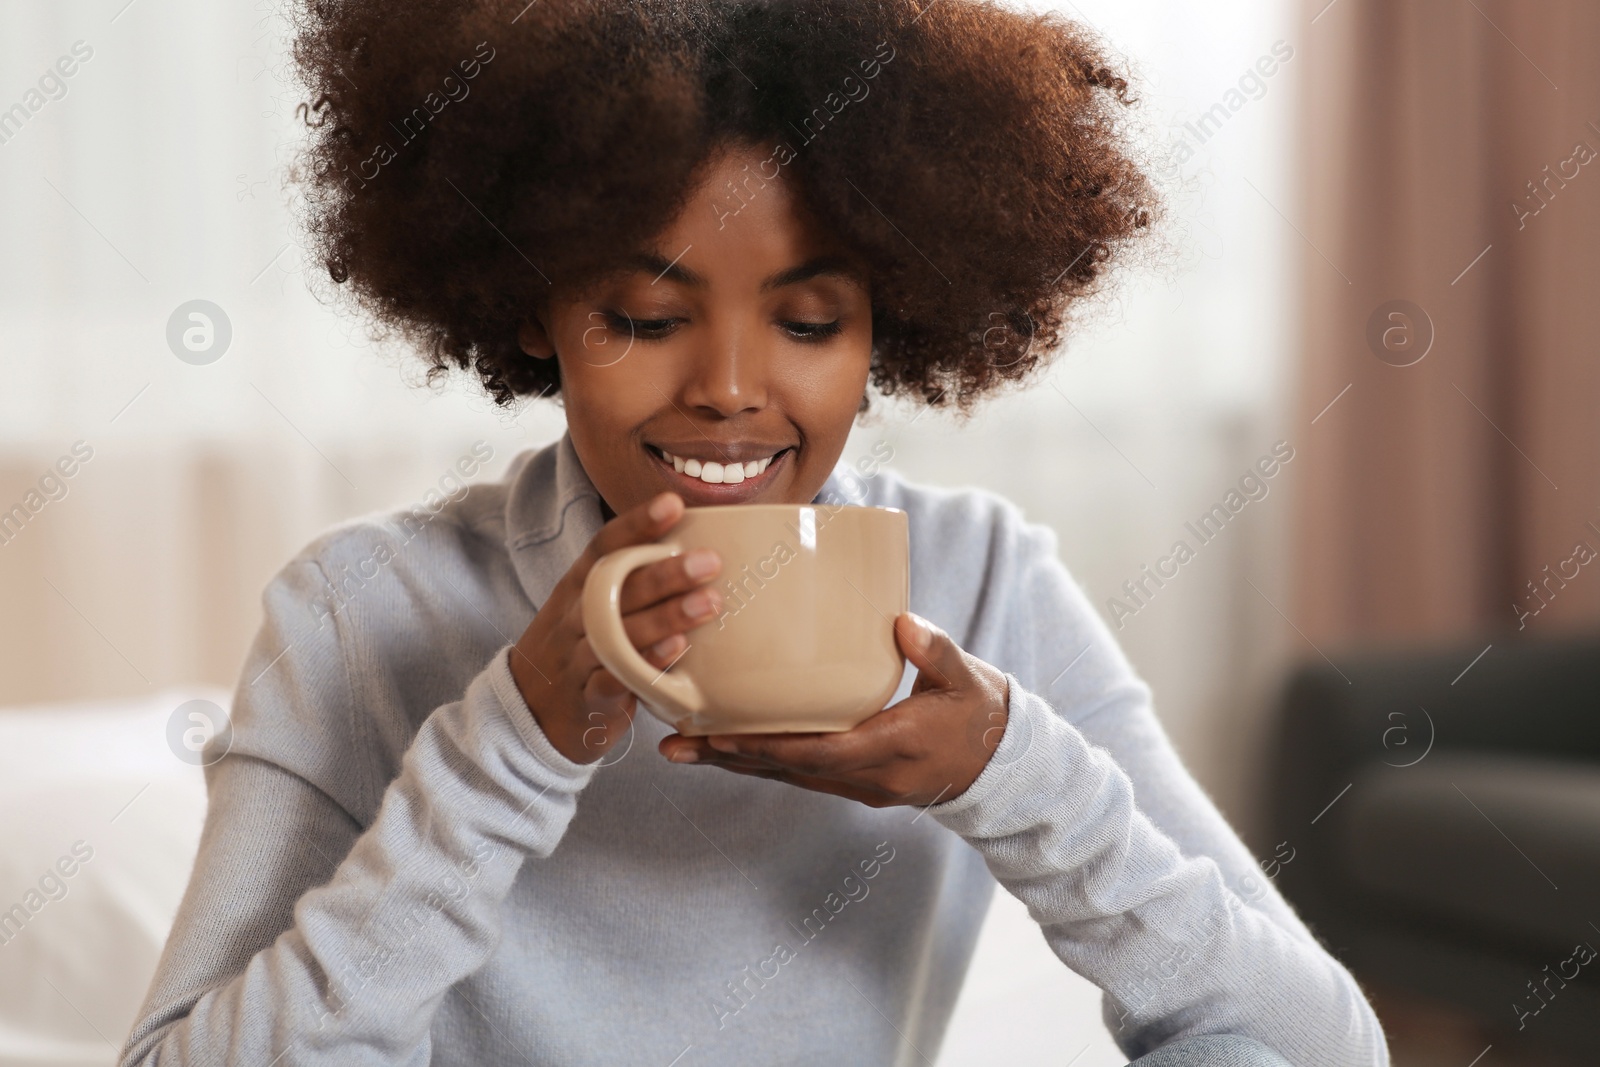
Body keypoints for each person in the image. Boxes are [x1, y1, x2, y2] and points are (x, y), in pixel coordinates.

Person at [120, 1, 1389, 1063]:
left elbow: (1327, 1041)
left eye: (809, 321)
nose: (730, 387)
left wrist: (1004, 772)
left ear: (887, 324)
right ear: (528, 305)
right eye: (644, 316)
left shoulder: (982, 576)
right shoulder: (360, 610)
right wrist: (509, 742)